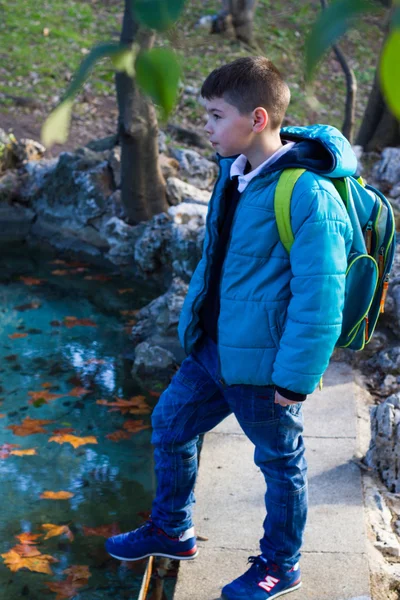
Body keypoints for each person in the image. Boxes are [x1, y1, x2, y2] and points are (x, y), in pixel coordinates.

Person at [105, 56, 355, 600]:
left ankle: (280, 564)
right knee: (170, 424)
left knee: (280, 463)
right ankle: (172, 528)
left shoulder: (308, 194)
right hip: (212, 350)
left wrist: (294, 378)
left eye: (217, 116)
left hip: (264, 367)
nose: (209, 128)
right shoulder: (235, 175)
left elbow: (322, 295)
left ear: (258, 118)